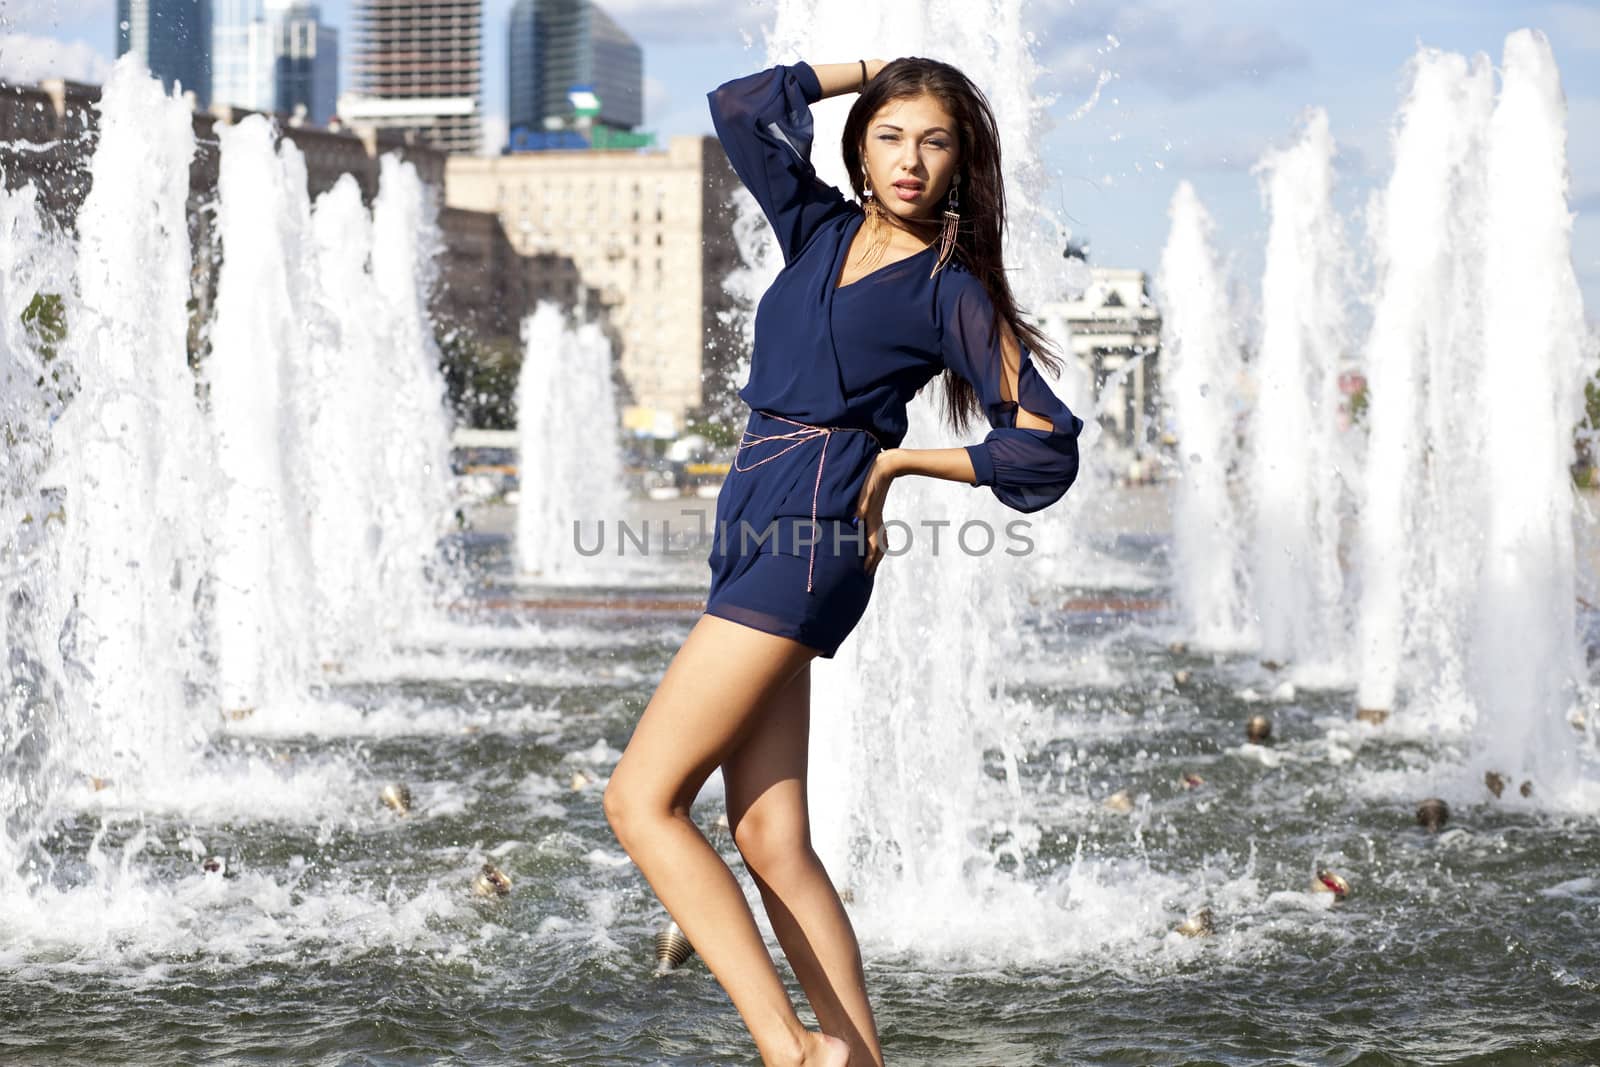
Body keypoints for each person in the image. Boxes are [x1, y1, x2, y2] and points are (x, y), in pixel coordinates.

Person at [603, 56, 1084, 1067]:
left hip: (814, 524)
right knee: (771, 837)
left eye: (937, 140)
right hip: (752, 510)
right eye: (892, 133)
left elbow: (1045, 439)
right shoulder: (815, 226)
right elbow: (737, 103)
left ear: (961, 165)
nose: (912, 160)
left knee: (639, 799)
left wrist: (904, 459)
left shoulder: (949, 290)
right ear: (860, 143)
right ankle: (856, 1059)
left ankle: (790, 1048)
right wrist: (882, 67)